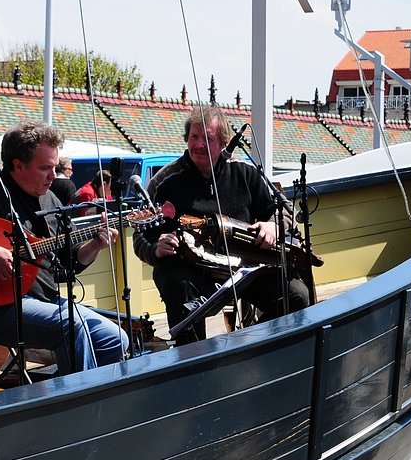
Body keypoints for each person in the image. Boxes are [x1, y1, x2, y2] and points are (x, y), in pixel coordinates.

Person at [133, 105, 310, 345]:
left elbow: (285, 212)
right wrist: (156, 249)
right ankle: (193, 366)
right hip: (190, 269)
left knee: (296, 295)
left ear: (225, 142)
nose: (198, 145)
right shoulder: (165, 181)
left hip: (244, 265)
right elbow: (140, 236)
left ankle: (250, 348)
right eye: (194, 137)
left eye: (207, 138)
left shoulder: (245, 173)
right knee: (179, 287)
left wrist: (273, 227)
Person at [0, 121, 128, 374]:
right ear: (17, 165)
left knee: (116, 339)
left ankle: (68, 393)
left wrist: (95, 244)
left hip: (45, 299)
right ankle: (75, 405)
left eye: (55, 167)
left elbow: (70, 262)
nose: (54, 176)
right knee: (72, 329)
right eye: (45, 169)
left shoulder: (50, 198)